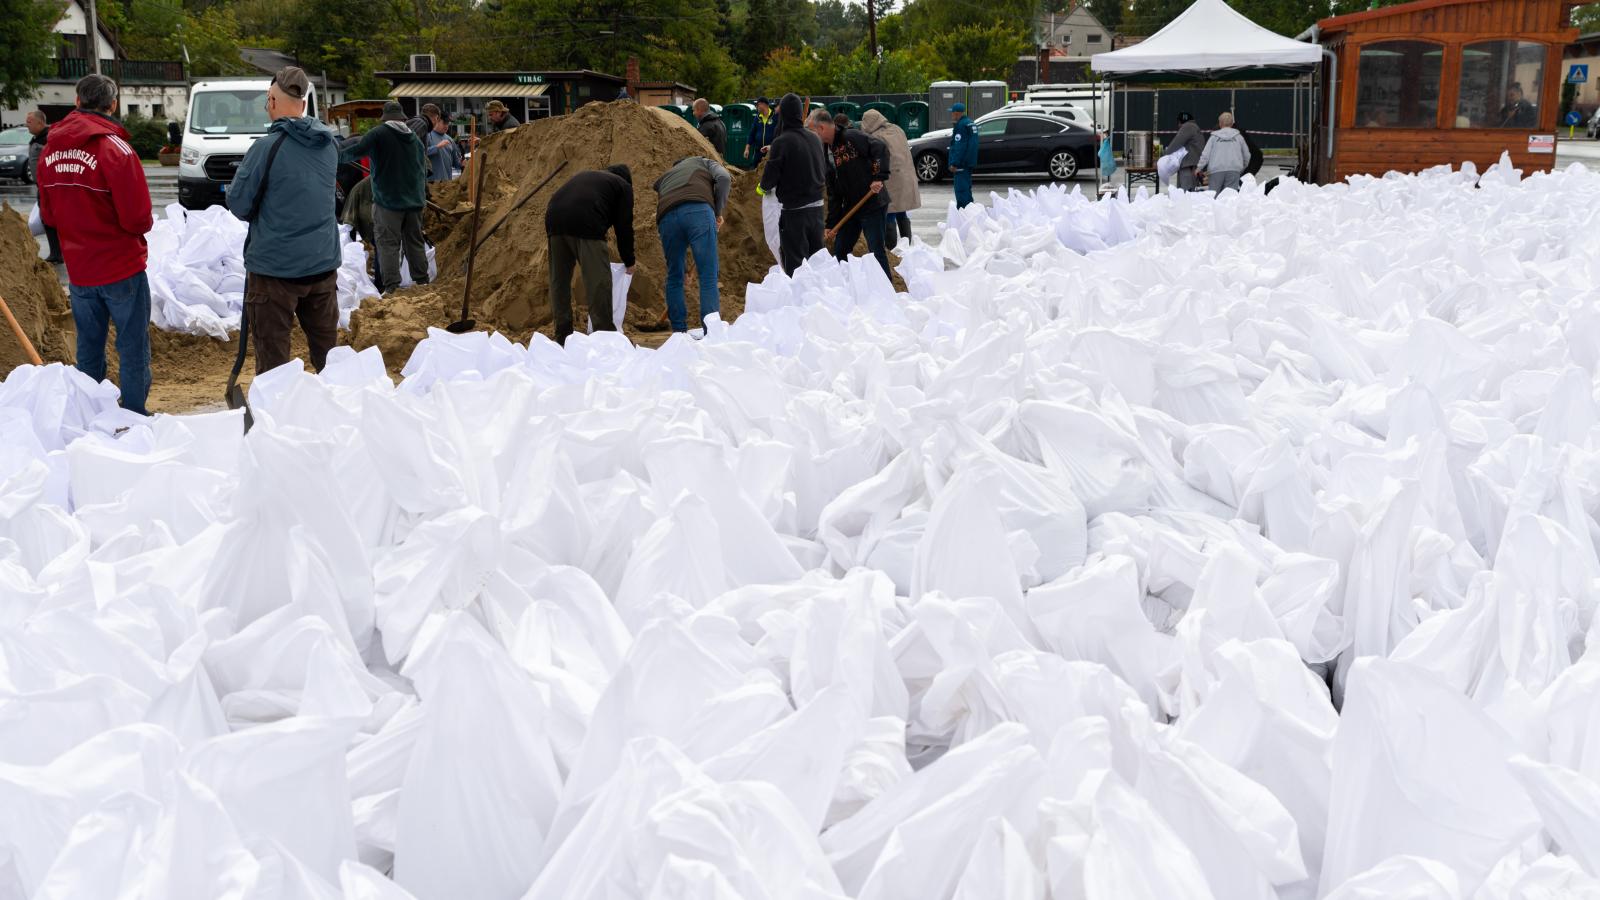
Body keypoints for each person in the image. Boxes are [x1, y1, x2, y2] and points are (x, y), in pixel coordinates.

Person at [36, 74, 153, 414]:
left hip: (80, 270)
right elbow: (139, 219)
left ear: (77, 101)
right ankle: (133, 416)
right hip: (121, 267)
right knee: (132, 348)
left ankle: (90, 412)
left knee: (89, 347)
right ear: (112, 104)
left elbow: (49, 215)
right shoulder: (116, 150)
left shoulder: (50, 150)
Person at [226, 66, 343, 375]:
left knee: (274, 362)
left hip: (275, 271)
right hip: (322, 265)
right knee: (329, 357)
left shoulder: (266, 148)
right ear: (303, 104)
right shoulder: (329, 145)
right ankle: (338, 410)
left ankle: (276, 417)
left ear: (272, 101)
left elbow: (239, 204)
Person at [339, 101, 429, 294]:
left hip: (388, 203)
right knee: (415, 241)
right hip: (414, 203)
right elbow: (424, 170)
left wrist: (330, 155)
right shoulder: (414, 139)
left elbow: (352, 152)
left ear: (385, 118)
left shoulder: (378, 134)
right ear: (403, 118)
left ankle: (392, 287)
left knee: (388, 243)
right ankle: (422, 283)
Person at [545, 164, 635, 344]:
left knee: (559, 281)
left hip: (554, 218)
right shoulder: (623, 186)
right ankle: (604, 336)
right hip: (586, 220)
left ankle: (562, 336)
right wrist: (629, 259)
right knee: (598, 281)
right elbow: (624, 227)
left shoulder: (588, 176)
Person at [807, 109, 890, 278]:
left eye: (812, 131)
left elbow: (880, 148)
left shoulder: (851, 137)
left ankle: (886, 289)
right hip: (852, 207)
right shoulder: (825, 151)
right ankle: (846, 285)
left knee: (876, 250)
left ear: (821, 128)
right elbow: (833, 192)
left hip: (872, 202)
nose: (811, 135)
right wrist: (831, 223)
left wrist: (878, 177)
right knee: (841, 249)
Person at [653, 155, 730, 334]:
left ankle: (679, 333)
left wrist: (684, 269)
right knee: (708, 276)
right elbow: (724, 178)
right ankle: (710, 333)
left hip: (666, 218)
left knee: (674, 277)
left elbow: (677, 213)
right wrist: (717, 212)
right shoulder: (702, 161)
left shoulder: (666, 178)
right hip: (698, 212)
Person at [758, 93, 827, 276]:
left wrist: (763, 188)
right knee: (817, 261)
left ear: (784, 115)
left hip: (795, 213)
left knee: (796, 265)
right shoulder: (814, 138)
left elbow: (770, 177)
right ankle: (819, 300)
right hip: (817, 211)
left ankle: (799, 303)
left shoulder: (782, 142)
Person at [860, 107, 918, 248]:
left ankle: (891, 248)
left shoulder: (876, 136)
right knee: (901, 211)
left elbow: (875, 158)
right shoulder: (897, 129)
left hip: (890, 179)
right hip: (906, 176)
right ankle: (906, 244)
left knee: (890, 211)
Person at [25, 110, 61, 263]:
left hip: (49, 188)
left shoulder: (48, 139)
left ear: (40, 123)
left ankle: (57, 254)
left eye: (29, 122)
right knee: (47, 219)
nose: (27, 124)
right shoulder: (38, 138)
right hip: (43, 186)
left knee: (49, 220)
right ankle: (56, 253)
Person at [1196, 111, 1249, 195]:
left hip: (1216, 171)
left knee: (1214, 196)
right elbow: (1247, 155)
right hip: (1234, 170)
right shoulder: (1239, 137)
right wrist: (1242, 167)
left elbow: (1205, 155)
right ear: (1232, 124)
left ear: (1220, 123)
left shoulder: (1213, 138)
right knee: (1230, 198)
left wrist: (1198, 168)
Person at [948, 102, 978, 208]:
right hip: (969, 163)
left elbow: (959, 146)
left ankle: (964, 216)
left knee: (961, 192)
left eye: (952, 113)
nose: (952, 115)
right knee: (967, 190)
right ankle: (971, 213)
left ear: (956, 113)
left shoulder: (961, 126)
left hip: (961, 164)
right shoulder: (970, 123)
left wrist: (954, 163)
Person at [1170, 111, 1204, 192]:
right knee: (1189, 192)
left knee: (1185, 193)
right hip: (1193, 166)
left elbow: (1175, 144)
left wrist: (1164, 156)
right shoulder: (1196, 129)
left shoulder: (1187, 128)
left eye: (1179, 123)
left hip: (1187, 168)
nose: (1178, 126)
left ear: (1181, 123)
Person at [424, 112, 460, 181]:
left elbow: (456, 163)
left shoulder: (450, 140)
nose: (446, 126)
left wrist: (463, 163)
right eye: (444, 123)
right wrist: (437, 147)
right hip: (431, 183)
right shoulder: (427, 136)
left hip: (447, 184)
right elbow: (420, 154)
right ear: (437, 120)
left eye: (448, 123)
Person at [748, 97, 779, 165]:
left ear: (764, 105)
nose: (756, 107)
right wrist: (747, 148)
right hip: (758, 151)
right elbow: (752, 133)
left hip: (771, 151)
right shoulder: (757, 117)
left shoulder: (776, 116)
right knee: (755, 170)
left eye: (758, 105)